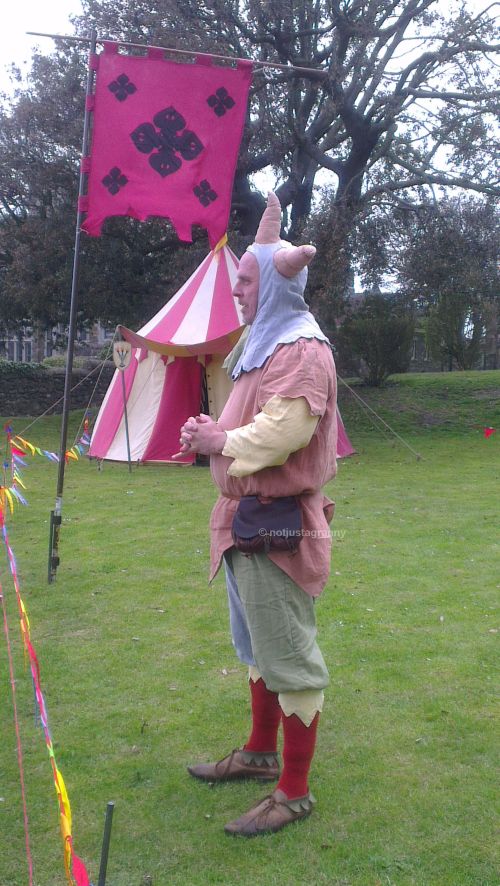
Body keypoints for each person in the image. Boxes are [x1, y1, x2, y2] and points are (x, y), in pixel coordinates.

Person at [175, 192, 338, 837]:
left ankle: (292, 791)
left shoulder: (300, 347)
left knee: (289, 657)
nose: (238, 288)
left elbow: (287, 430)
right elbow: (251, 420)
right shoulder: (263, 343)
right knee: (258, 649)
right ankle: (260, 752)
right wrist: (210, 429)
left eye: (246, 278)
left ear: (272, 280)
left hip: (278, 526)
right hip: (248, 524)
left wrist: (223, 441)